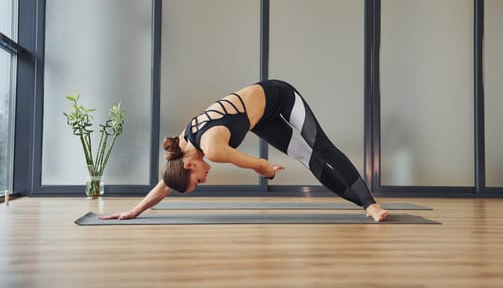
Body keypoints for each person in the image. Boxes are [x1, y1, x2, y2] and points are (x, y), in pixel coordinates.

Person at [100, 79, 388, 222]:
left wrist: (267, 169)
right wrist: (134, 210)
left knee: (320, 147)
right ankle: (363, 205)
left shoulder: (211, 148)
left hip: (280, 96)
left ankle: (370, 204)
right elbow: (165, 184)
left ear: (190, 166)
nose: (204, 180)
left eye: (198, 181)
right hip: (260, 119)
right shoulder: (182, 147)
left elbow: (258, 165)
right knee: (306, 157)